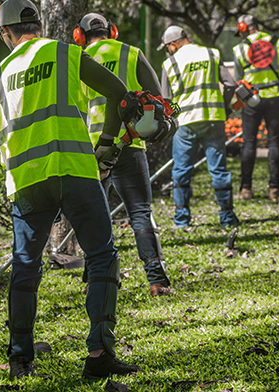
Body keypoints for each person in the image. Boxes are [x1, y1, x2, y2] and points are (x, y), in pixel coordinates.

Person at [0, 0, 140, 381]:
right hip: (74, 171)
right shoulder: (64, 52)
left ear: (5, 33)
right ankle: (99, 351)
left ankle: (20, 358)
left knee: (25, 267)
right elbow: (119, 94)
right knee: (101, 256)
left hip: (26, 183)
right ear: (38, 24)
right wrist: (105, 143)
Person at [75, 12, 172, 297]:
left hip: (90, 150)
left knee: (96, 218)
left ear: (79, 36)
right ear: (112, 31)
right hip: (128, 143)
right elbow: (158, 99)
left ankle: (96, 281)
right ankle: (157, 281)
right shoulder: (132, 53)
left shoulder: (73, 60)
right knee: (140, 212)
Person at [159, 25, 240, 229]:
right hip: (213, 118)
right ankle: (227, 217)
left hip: (186, 123)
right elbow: (230, 84)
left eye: (168, 46)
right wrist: (225, 107)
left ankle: (182, 220)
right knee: (219, 170)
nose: (168, 50)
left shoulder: (170, 64)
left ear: (173, 44)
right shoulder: (211, 54)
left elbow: (166, 99)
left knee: (181, 171)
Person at [232, 14, 279, 202]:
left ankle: (246, 189)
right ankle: (275, 189)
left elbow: (239, 81)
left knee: (249, 143)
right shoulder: (275, 42)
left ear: (243, 28)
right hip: (274, 97)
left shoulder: (240, 48)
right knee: (274, 142)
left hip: (251, 100)